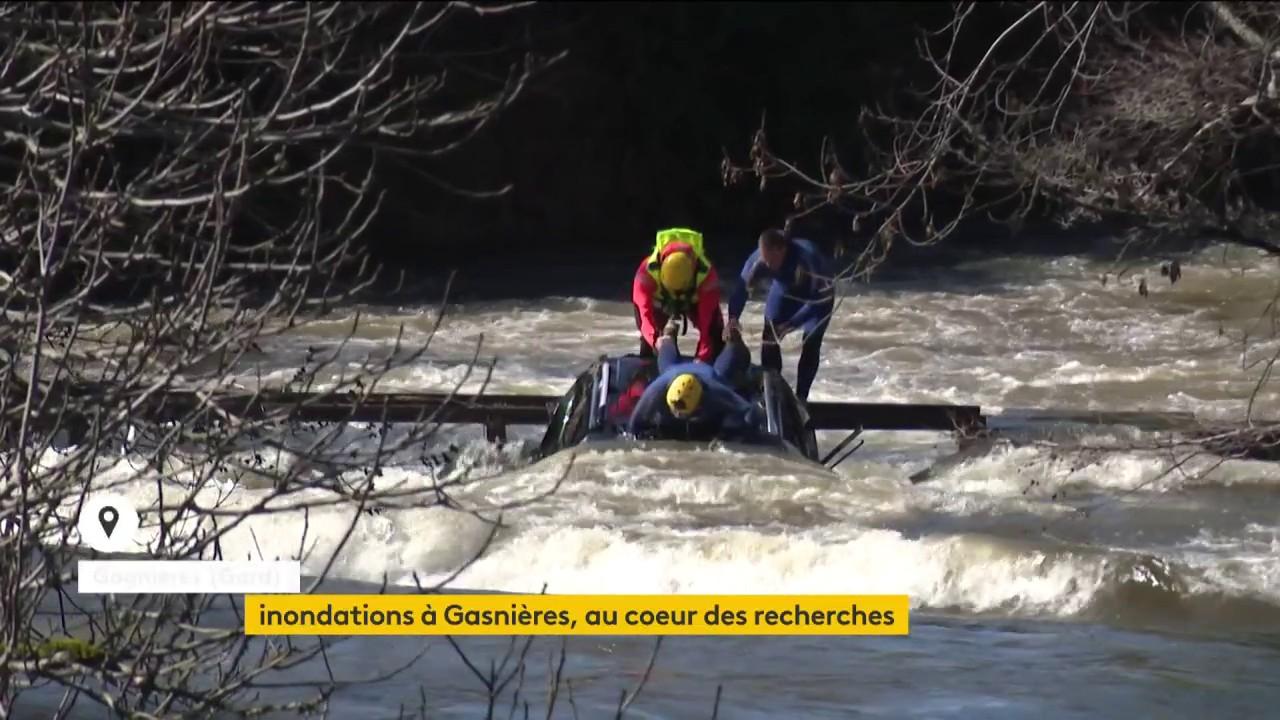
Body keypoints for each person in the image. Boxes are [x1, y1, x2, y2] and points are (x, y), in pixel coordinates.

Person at [726, 228, 835, 402]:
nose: (766, 265)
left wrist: (791, 323)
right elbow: (740, 291)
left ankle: (801, 398)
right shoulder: (759, 259)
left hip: (816, 300)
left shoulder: (809, 259)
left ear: (781, 250)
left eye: (770, 261)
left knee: (811, 342)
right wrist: (733, 318)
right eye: (764, 259)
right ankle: (772, 394)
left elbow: (822, 299)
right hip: (784, 293)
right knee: (769, 336)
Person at [627, 320, 761, 441]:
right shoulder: (658, 389)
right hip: (672, 372)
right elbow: (636, 421)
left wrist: (741, 434)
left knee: (725, 373)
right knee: (665, 366)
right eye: (675, 410)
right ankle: (668, 337)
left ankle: (733, 342)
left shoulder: (715, 389)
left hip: (709, 373)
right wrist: (635, 436)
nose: (678, 414)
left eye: (681, 412)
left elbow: (748, 410)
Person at [632, 227, 726, 364]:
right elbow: (644, 317)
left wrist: (701, 359)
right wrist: (654, 341)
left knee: (715, 337)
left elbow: (707, 328)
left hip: (694, 300)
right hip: (660, 302)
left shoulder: (707, 277)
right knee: (651, 346)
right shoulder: (645, 274)